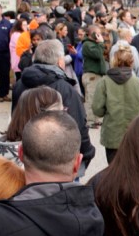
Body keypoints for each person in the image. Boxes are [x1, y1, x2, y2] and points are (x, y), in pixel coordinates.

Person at [12, 39, 96, 173]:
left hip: (28, 154)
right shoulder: (66, 89)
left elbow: (14, 118)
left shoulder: (20, 84)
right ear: (59, 61)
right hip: (59, 159)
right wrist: (87, 152)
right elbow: (77, 126)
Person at [93, 43, 139, 164]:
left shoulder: (104, 82)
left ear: (113, 61)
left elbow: (97, 110)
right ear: (131, 63)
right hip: (135, 133)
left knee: (113, 169)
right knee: (133, 169)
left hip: (112, 134)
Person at [0, 85, 63, 161]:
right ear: (45, 118)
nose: (65, 118)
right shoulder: (40, 160)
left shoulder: (7, 152)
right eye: (61, 112)